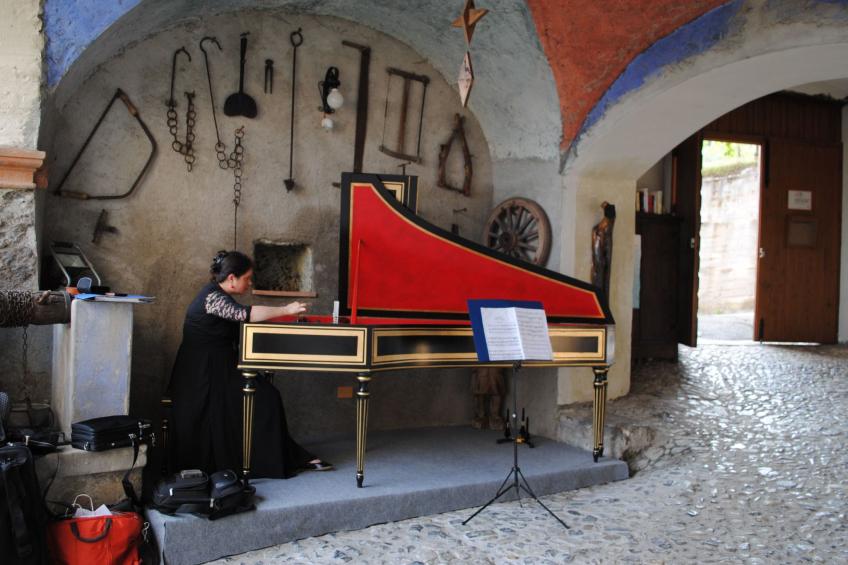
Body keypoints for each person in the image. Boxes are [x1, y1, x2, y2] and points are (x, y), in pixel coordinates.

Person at [167, 250, 333, 478]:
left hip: (219, 368)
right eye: (247, 278)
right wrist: (286, 310)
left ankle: (281, 456)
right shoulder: (212, 297)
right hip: (201, 375)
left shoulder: (217, 295)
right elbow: (244, 314)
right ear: (232, 278)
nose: (250, 282)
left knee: (266, 398)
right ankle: (276, 459)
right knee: (267, 398)